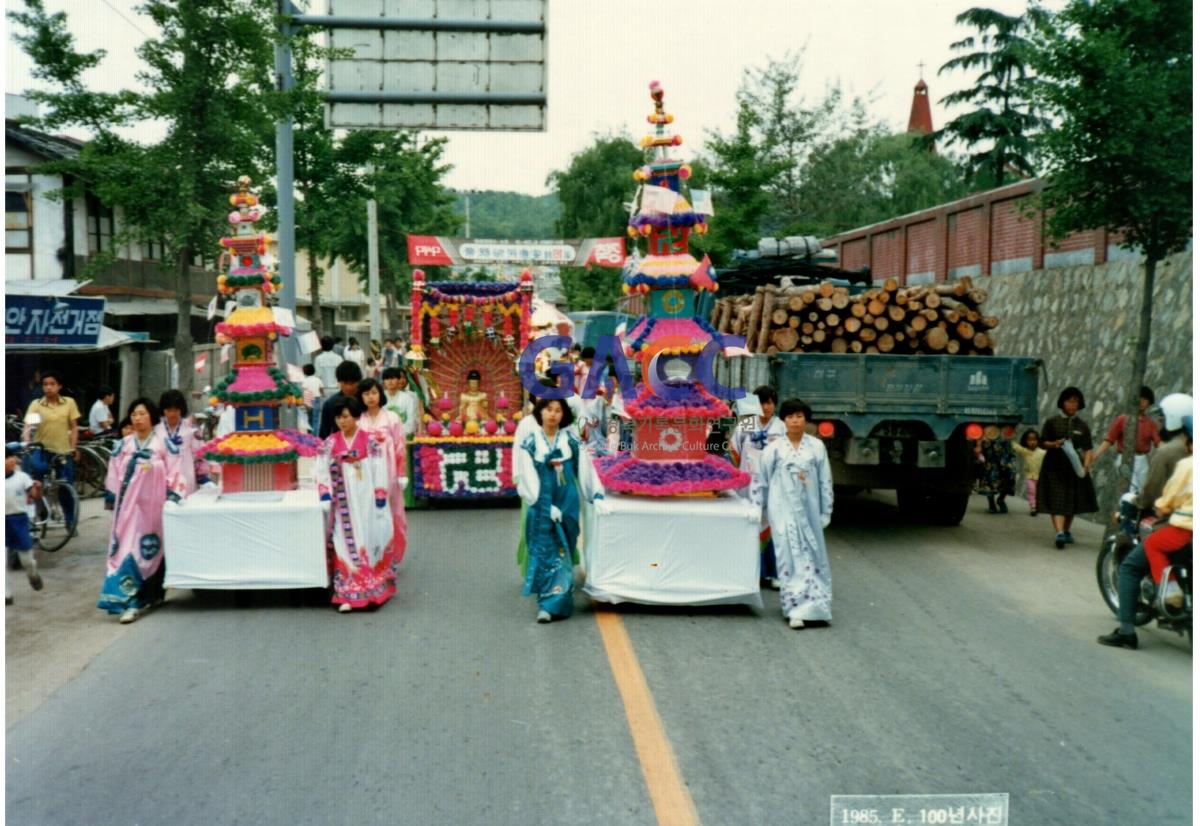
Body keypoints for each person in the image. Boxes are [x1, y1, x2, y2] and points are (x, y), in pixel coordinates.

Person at [1098, 416, 1192, 650]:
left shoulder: (1186, 463)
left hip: (1185, 530)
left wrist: (1161, 506)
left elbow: (1167, 498)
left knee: (1132, 566)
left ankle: (1128, 631)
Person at [751, 398, 834, 628]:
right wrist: (758, 508)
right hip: (783, 512)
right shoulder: (774, 449)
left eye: (799, 416)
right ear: (784, 420)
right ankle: (794, 608)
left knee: (814, 557)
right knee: (789, 558)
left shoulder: (816, 447)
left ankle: (818, 608)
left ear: (805, 419)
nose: (795, 421)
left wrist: (826, 511)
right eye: (790, 417)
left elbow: (825, 481)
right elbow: (760, 481)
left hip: (810, 513)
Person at [98, 398, 177, 624]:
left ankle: (151, 595)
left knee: (150, 551)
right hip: (127, 508)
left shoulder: (164, 443)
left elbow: (174, 472)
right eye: (134, 414)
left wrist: (170, 493)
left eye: (142, 414)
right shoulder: (122, 446)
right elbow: (113, 473)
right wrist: (112, 495)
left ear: (152, 417)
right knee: (125, 550)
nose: (137, 418)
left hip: (153, 509)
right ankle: (129, 603)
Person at [314, 397, 394, 613]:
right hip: (342, 503)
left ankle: (371, 590)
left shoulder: (371, 442)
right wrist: (324, 493)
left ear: (356, 417)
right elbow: (321, 470)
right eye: (338, 417)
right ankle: (348, 593)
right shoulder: (329, 443)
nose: (342, 421)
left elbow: (380, 468)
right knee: (342, 542)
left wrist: (380, 492)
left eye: (346, 416)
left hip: (366, 501)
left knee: (367, 541)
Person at [514, 397, 582, 623]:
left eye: (558, 411)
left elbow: (585, 469)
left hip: (567, 500)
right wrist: (544, 504)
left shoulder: (571, 439)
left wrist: (596, 495)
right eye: (548, 410)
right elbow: (527, 476)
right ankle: (546, 603)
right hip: (542, 501)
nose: (553, 414)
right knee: (545, 548)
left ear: (564, 415)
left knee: (564, 549)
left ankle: (561, 597)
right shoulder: (531, 442)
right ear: (540, 413)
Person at [731, 385, 788, 586]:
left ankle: (773, 573)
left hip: (773, 486)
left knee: (772, 525)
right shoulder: (746, 425)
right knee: (749, 525)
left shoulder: (781, 428)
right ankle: (750, 571)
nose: (767, 407)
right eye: (763, 402)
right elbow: (734, 452)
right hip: (747, 485)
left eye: (771, 402)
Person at [357, 378, 409, 573]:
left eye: (374, 392)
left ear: (380, 394)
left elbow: (400, 446)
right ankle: (372, 555)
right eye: (366, 394)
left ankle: (394, 556)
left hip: (390, 474)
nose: (370, 397)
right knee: (368, 514)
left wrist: (401, 473)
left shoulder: (392, 418)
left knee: (394, 515)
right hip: (366, 474)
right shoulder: (358, 420)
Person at [1037, 386, 1099, 549]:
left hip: (1074, 466)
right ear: (1062, 403)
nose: (1072, 405)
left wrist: (1085, 467)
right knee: (1057, 499)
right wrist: (1054, 444)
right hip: (1053, 465)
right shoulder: (1052, 422)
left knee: (1071, 500)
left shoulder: (1082, 425)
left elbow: (1088, 448)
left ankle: (1065, 530)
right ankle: (1059, 533)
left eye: (1076, 402)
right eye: (1069, 401)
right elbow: (1042, 443)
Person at [21, 371, 80, 532]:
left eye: (52, 384)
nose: (48, 387)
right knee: (36, 482)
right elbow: (28, 426)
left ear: (59, 386)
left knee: (66, 486)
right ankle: (41, 516)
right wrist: (26, 442)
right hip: (42, 449)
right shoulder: (37, 404)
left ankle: (70, 521)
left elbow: (74, 427)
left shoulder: (69, 403)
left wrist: (73, 447)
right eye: (45, 384)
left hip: (63, 451)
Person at [1091, 386, 1161, 495]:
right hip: (1124, 458)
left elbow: (1158, 442)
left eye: (1145, 399)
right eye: (1139, 398)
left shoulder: (1150, 424)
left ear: (1149, 403)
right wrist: (1096, 454)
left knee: (1144, 491)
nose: (1141, 401)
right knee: (1130, 490)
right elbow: (1109, 439)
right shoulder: (1123, 419)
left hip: (1142, 460)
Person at [5, 445, 43, 604]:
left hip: (19, 520)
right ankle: (6, 594)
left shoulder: (22, 477)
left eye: (10, 457)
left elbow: (34, 496)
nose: (9, 460)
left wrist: (37, 489)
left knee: (25, 559)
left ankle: (32, 574)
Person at [155, 389, 209, 497]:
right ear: (163, 410)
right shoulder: (155, 429)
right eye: (169, 410)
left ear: (181, 410)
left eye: (176, 410)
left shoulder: (191, 428)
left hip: (185, 475)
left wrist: (202, 476)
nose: (172, 413)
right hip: (162, 476)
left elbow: (199, 453)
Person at [973, 427, 1017, 514]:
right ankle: (991, 503)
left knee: (1009, 478)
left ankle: (1001, 499)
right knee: (989, 480)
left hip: (1005, 454)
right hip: (990, 458)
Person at [318, 361, 364, 439]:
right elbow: (324, 435)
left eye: (352, 383)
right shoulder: (330, 404)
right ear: (338, 381)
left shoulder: (366, 400)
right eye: (345, 383)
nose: (348, 387)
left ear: (359, 381)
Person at [1012, 428, 1046, 517]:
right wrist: (1009, 438)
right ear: (1025, 441)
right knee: (1031, 491)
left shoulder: (1043, 452)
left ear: (1038, 441)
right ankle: (1033, 507)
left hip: (1041, 477)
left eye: (1034, 440)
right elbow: (1017, 447)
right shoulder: (1025, 452)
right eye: (1029, 440)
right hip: (1030, 476)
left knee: (1040, 492)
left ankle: (1039, 506)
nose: (1032, 442)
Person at [382, 367, 421, 438]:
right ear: (384, 382)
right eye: (387, 379)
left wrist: (396, 433)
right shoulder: (380, 398)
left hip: (402, 437)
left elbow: (411, 422)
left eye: (393, 378)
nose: (390, 381)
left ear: (398, 380)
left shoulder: (408, 398)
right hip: (383, 437)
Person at [300, 363, 324, 435]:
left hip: (308, 399)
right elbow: (321, 389)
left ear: (305, 372)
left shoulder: (305, 380)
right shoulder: (318, 379)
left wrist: (304, 401)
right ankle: (314, 435)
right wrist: (323, 394)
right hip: (316, 399)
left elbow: (304, 391)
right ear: (314, 370)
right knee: (316, 419)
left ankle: (309, 434)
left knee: (309, 418)